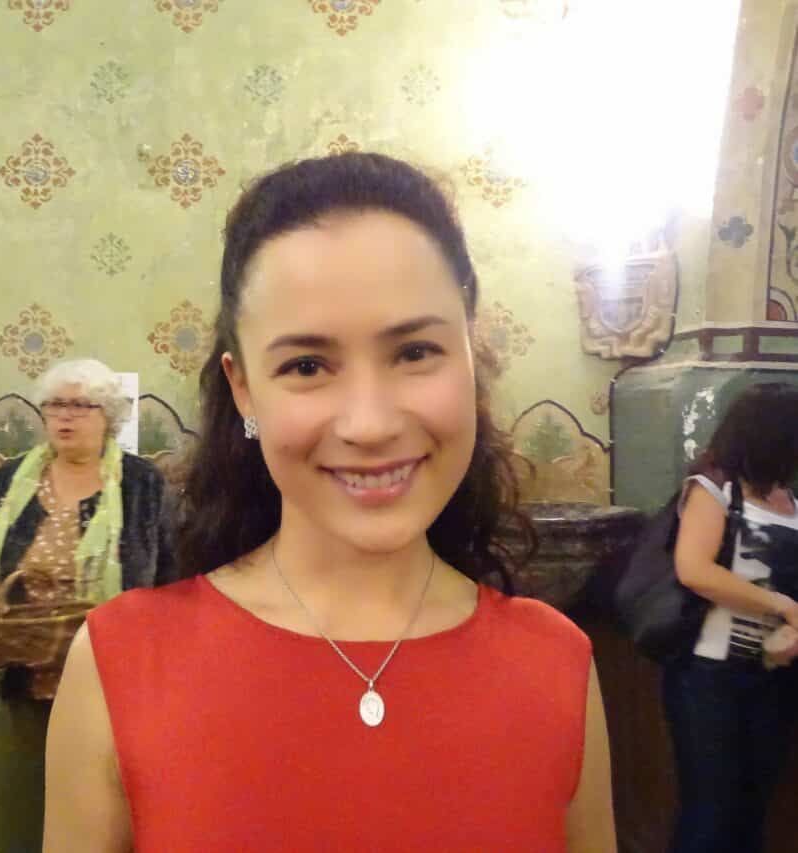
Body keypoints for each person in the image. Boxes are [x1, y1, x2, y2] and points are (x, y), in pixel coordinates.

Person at [44, 152, 617, 852]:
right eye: (307, 365)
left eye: (415, 352)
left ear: (472, 353)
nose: (369, 424)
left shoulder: (556, 664)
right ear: (244, 389)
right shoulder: (121, 664)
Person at [0, 357, 174, 853]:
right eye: (54, 405)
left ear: (108, 415)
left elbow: (173, 570)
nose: (64, 416)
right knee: (12, 801)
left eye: (80, 405)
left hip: (110, 673)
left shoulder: (142, 485)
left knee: (99, 810)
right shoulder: (9, 481)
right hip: (16, 669)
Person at [668, 382, 798, 853]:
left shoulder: (790, 501)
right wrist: (783, 606)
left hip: (775, 675)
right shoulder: (714, 489)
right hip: (711, 676)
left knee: (751, 811)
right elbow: (694, 569)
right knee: (711, 814)